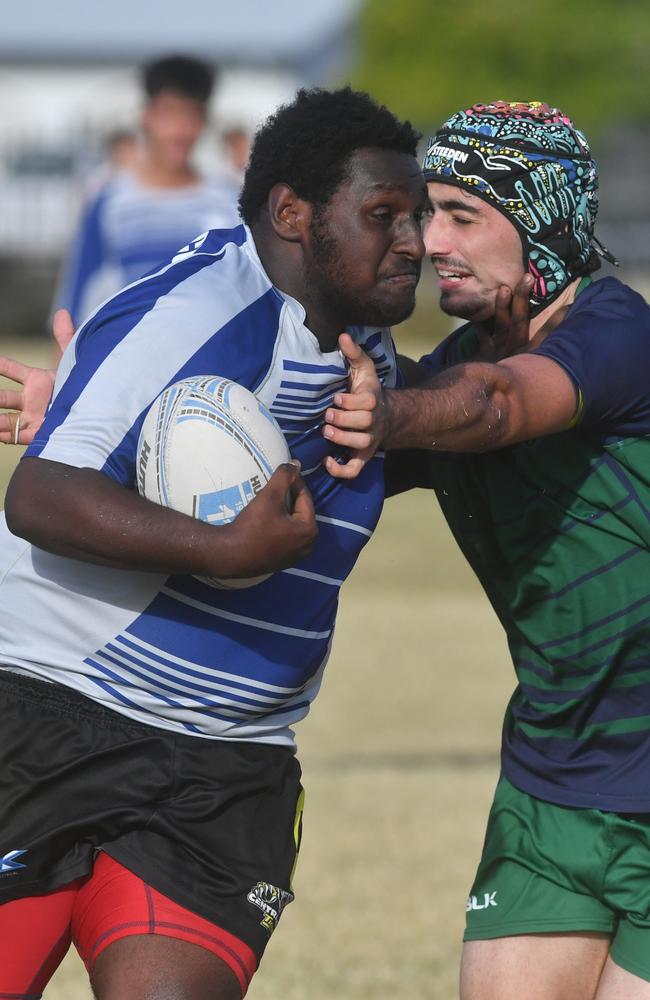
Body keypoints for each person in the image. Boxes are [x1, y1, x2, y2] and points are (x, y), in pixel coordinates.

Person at [0, 87, 427, 999]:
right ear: (292, 213)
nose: (414, 243)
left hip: (226, 760)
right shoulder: (194, 313)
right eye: (384, 215)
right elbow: (38, 494)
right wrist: (221, 548)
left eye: (420, 216)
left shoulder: (366, 347)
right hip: (47, 717)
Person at [323, 100, 650, 999]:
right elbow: (307, 474)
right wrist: (96, 428)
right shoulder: (454, 374)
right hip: (552, 787)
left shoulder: (620, 339)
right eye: (426, 213)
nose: (431, 241)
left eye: (462, 214)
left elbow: (503, 405)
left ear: (541, 220)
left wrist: (392, 414)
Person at [54, 53, 241, 326]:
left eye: (192, 114)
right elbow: (73, 303)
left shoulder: (231, 200)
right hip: (121, 362)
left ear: (205, 121)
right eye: (170, 112)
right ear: (146, 115)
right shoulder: (109, 201)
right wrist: (61, 367)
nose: (180, 129)